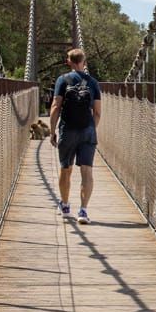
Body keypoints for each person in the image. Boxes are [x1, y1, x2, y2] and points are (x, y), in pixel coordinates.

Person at [49, 48, 102, 224]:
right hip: (87, 130)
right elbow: (98, 112)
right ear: (84, 62)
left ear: (68, 62)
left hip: (68, 130)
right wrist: (90, 129)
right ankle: (83, 211)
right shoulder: (93, 82)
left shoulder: (62, 80)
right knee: (86, 171)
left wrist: (52, 131)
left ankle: (65, 206)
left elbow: (56, 107)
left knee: (66, 169)